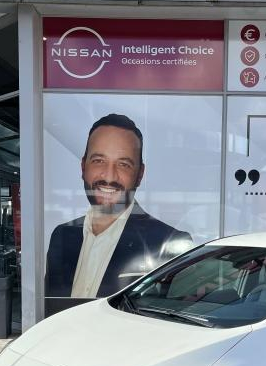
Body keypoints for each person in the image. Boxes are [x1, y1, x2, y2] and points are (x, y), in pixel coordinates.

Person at [46, 113, 193, 298]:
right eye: (99, 161)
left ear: (140, 174)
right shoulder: (61, 236)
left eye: (123, 164)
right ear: (83, 167)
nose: (109, 176)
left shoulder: (169, 244)